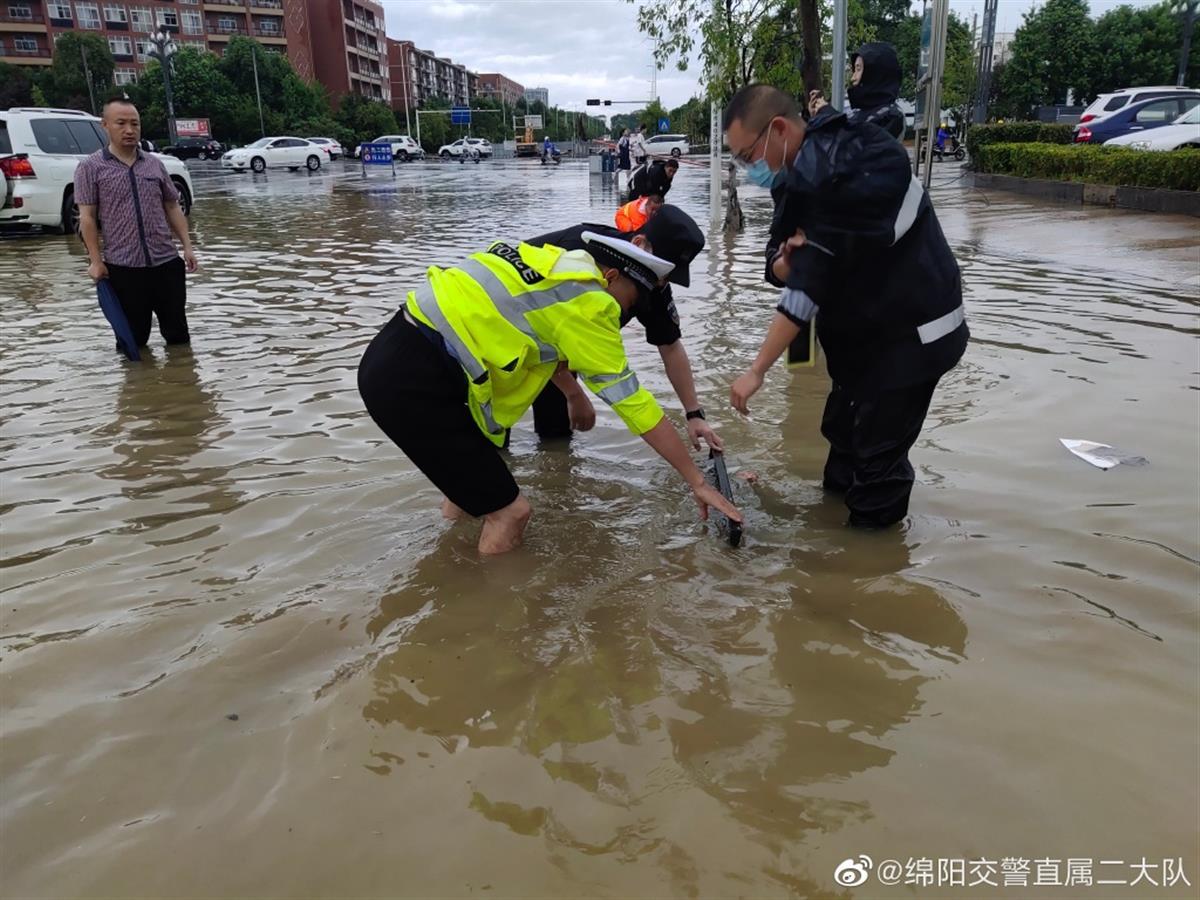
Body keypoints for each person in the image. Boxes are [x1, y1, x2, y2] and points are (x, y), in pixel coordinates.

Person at [357, 233, 742, 554]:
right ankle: (491, 621)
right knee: (512, 513)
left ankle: (449, 559)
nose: (624, 316)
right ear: (610, 276)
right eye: (629, 303)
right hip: (415, 382)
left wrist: (574, 394)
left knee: (472, 485)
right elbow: (635, 405)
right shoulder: (592, 303)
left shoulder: (558, 263)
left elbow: (538, 338)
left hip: (394, 351)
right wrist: (697, 481)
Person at [723, 84, 967, 529]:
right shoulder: (797, 174)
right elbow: (783, 264)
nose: (747, 169)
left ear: (778, 130)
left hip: (913, 336)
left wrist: (756, 369)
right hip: (865, 337)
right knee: (842, 433)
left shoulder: (848, 165)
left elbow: (805, 290)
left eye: (746, 156)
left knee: (877, 461)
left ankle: (867, 576)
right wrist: (785, 263)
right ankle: (830, 535)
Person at [523, 205, 723, 452]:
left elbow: (670, 346)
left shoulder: (654, 282)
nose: (661, 282)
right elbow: (538, 333)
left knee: (557, 439)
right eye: (662, 272)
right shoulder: (577, 249)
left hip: (561, 353)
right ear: (639, 243)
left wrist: (694, 414)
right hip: (506, 333)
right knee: (489, 433)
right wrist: (574, 394)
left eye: (667, 276)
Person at [76, 98, 198, 349]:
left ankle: (182, 383)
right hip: (123, 268)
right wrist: (96, 262)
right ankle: (136, 386)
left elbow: (172, 206)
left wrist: (187, 246)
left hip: (165, 263)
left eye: (135, 124)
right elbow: (86, 218)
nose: (129, 130)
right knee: (133, 341)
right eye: (121, 123)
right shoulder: (90, 168)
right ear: (106, 125)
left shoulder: (154, 164)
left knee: (178, 337)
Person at [808, 42, 905, 140]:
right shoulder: (856, 113)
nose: (853, 78)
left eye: (858, 69)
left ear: (874, 73)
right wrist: (817, 120)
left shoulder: (891, 116)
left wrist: (829, 115)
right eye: (854, 70)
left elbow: (860, 148)